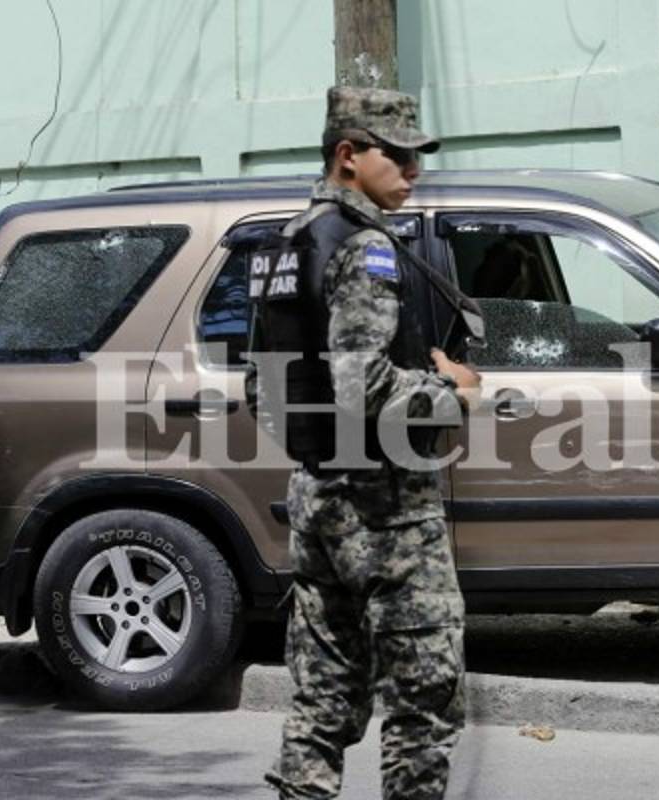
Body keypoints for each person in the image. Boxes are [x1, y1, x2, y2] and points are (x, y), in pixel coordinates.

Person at [247, 86, 480, 800]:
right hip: (386, 510)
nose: (413, 170)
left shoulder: (285, 241)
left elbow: (268, 387)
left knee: (322, 698)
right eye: (399, 154)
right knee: (422, 699)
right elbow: (363, 384)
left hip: (317, 495)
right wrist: (455, 394)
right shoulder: (366, 248)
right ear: (348, 155)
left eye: (417, 156)